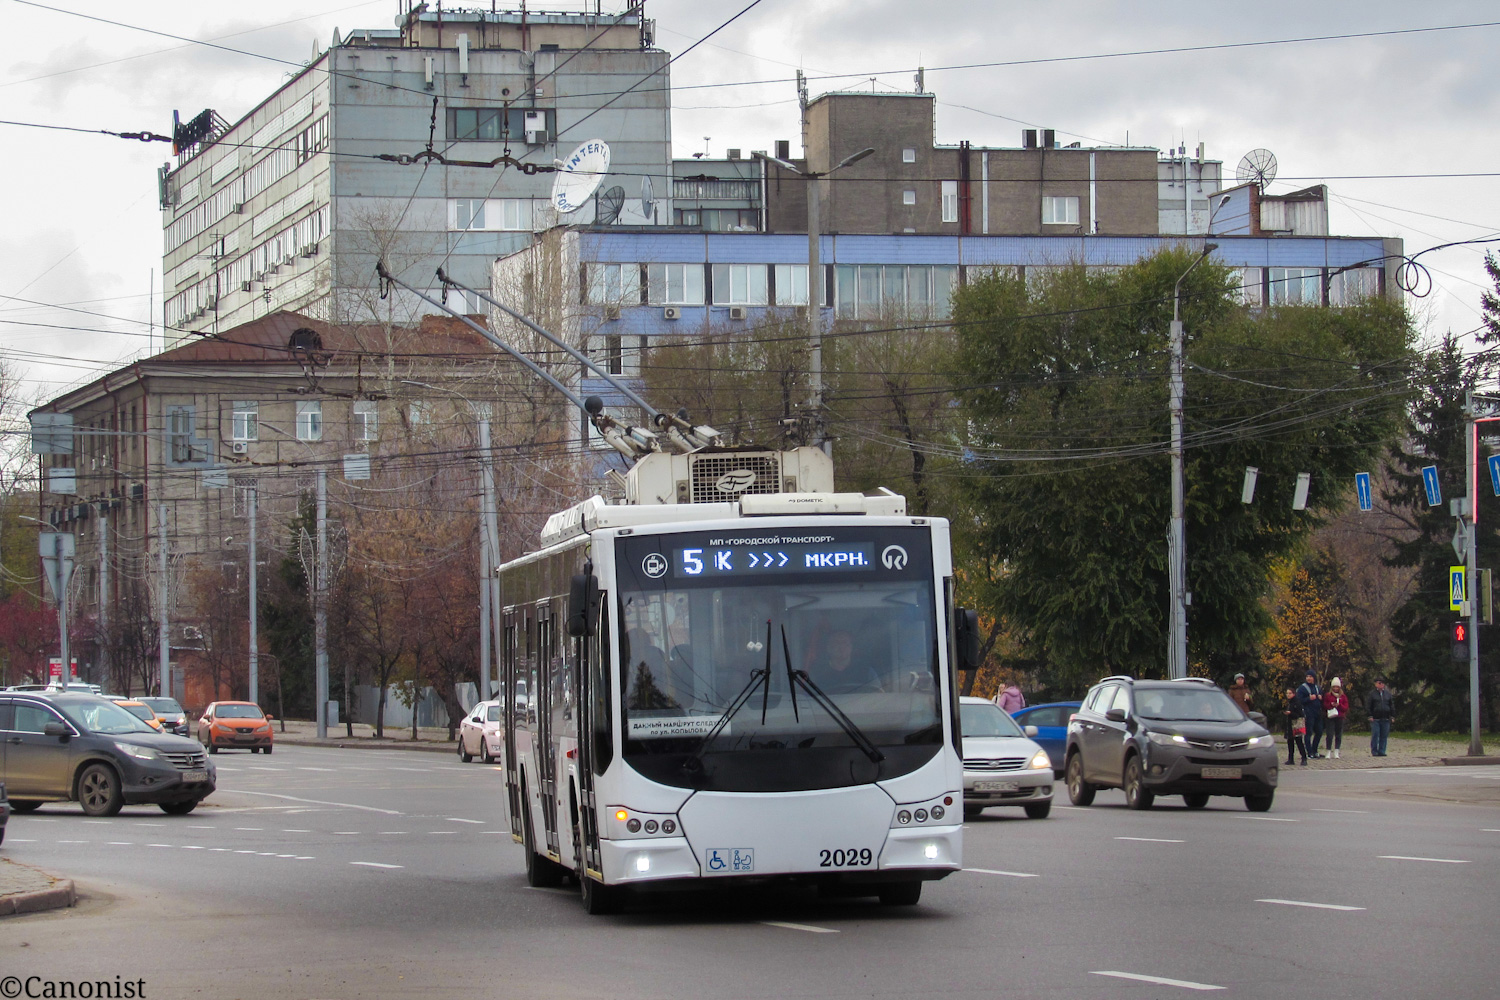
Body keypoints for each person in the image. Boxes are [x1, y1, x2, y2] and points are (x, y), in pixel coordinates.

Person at [812, 630, 882, 694]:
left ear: (851, 647)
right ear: (828, 648)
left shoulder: (867, 671)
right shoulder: (817, 675)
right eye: (836, 643)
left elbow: (878, 695)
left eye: (845, 642)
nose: (841, 646)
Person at [1296, 670, 1325, 758]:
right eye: (1307, 676)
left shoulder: (1317, 688)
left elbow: (1323, 700)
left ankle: (1314, 750)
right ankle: (1309, 752)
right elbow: (1299, 700)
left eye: (1310, 676)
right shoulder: (1302, 688)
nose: (1308, 678)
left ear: (1314, 678)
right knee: (1308, 733)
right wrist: (1308, 698)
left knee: (1319, 732)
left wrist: (1321, 698)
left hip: (1317, 713)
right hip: (1308, 713)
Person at [1322, 677, 1349, 759]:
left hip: (1340, 717)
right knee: (1329, 734)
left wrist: (1339, 705)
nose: (1335, 688)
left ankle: (1337, 750)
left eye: (1337, 687)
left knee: (1338, 734)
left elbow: (1345, 707)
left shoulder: (1343, 696)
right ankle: (1328, 751)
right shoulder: (1328, 695)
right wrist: (1331, 705)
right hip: (1330, 716)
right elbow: (1324, 705)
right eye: (1334, 687)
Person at [1367, 678, 1395, 757]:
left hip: (1385, 718)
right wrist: (1370, 715)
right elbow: (1368, 706)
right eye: (1379, 683)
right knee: (1375, 734)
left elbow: (1391, 705)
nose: (1381, 684)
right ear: (1376, 684)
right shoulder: (1372, 694)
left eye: (1382, 683)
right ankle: (1374, 751)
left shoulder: (1387, 694)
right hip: (1375, 719)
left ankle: (1382, 751)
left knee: (1384, 735)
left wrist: (1392, 716)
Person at [1282, 687, 1308, 766]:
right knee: (1290, 742)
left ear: (1294, 694)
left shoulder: (1297, 702)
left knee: (1299, 742)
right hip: (1290, 725)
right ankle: (1291, 759)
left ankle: (1304, 758)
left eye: (1290, 693)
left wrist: (1291, 713)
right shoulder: (1289, 702)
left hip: (1296, 725)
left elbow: (1299, 715)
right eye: (1287, 693)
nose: (1288, 695)